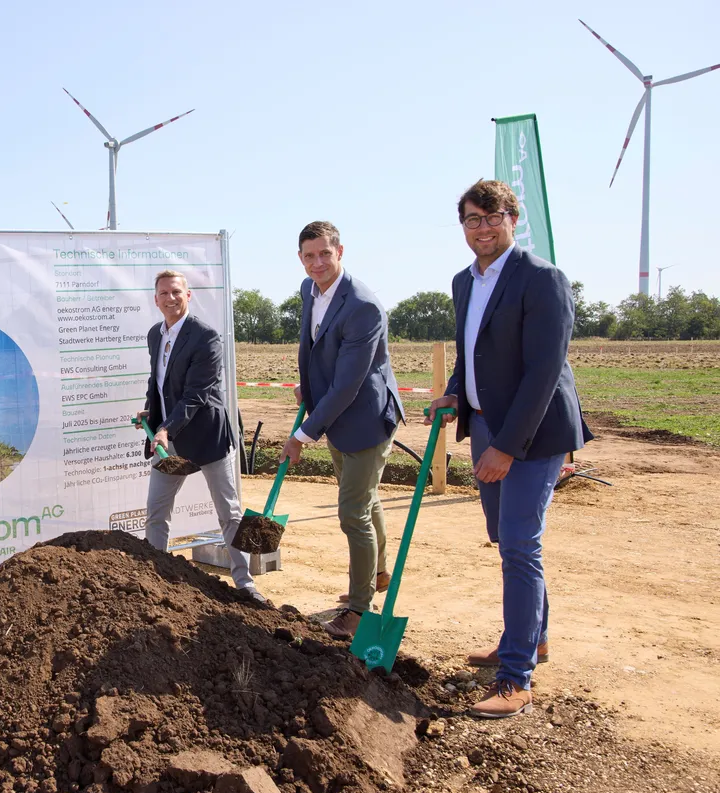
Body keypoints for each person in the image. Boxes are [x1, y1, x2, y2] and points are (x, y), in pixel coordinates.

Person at [428, 179, 592, 719]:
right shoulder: (463, 282)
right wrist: (456, 390)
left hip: (533, 432)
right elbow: (473, 351)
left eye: (490, 216)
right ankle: (533, 636)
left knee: (520, 545)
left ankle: (515, 675)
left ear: (512, 219)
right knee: (507, 540)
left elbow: (545, 371)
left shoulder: (541, 279)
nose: (481, 228)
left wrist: (506, 447)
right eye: (471, 220)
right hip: (489, 426)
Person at [280, 221, 404, 640]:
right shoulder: (309, 290)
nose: (317, 263)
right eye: (309, 256)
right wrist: (308, 387)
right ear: (301, 258)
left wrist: (303, 434)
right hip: (334, 413)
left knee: (353, 512)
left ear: (340, 252)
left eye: (324, 254)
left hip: (365, 418)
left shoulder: (362, 305)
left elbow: (350, 382)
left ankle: (358, 610)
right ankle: (379, 573)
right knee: (364, 500)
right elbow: (317, 348)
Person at [138, 270, 265, 604]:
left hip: (209, 439)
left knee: (229, 512)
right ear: (156, 299)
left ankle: (246, 583)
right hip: (171, 439)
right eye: (163, 293)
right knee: (156, 511)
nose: (170, 298)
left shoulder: (206, 337)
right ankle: (156, 575)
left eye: (176, 292)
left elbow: (195, 395)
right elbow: (160, 384)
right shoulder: (155, 334)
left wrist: (165, 428)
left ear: (188, 295)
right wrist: (150, 414)